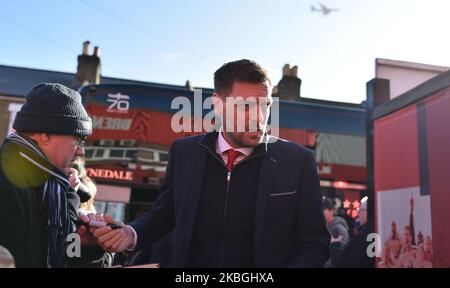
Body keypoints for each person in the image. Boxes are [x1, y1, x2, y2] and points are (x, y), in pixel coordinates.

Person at [93, 59, 330, 267]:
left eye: (265, 105)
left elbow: (315, 245)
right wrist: (130, 234)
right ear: (218, 105)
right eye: (246, 106)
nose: (259, 117)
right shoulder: (184, 152)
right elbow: (164, 215)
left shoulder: (298, 161)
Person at [0, 83, 100, 267]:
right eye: (78, 139)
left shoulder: (57, 188)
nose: (81, 152)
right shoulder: (6, 181)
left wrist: (88, 247)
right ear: (45, 135)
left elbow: (66, 258)